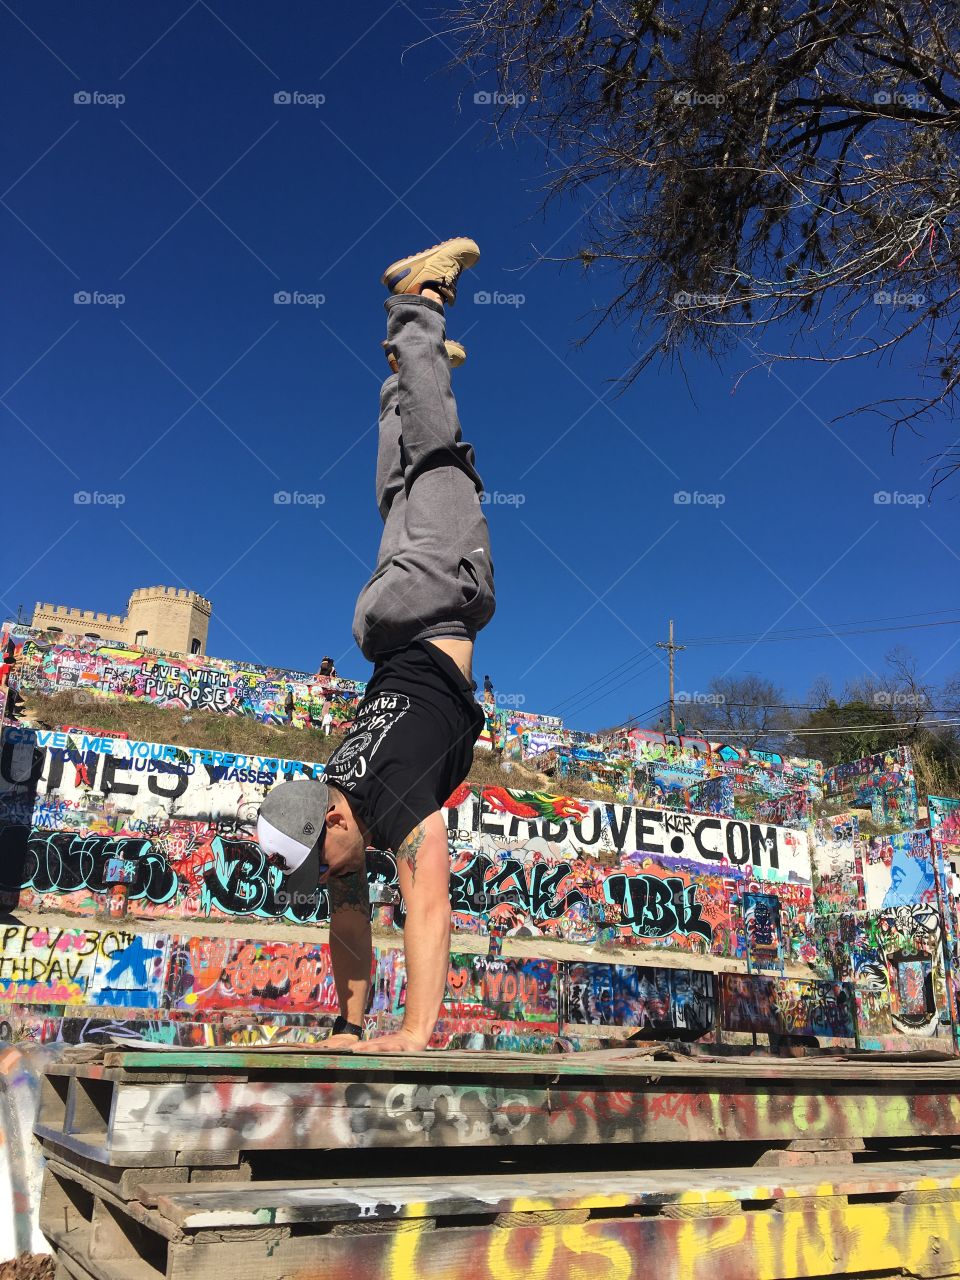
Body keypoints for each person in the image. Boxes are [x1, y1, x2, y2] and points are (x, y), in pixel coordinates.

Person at [257, 237, 494, 1053]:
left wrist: (415, 1030)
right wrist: (348, 1026)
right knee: (398, 489)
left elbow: (430, 893)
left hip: (430, 601)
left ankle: (418, 304)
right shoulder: (341, 809)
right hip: (387, 622)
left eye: (322, 865)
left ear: (329, 821)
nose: (330, 880)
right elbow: (351, 933)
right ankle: (405, 372)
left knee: (440, 463)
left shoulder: (381, 791)